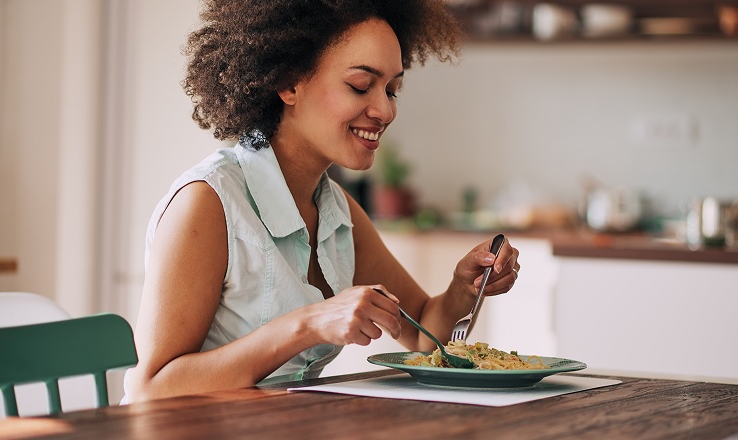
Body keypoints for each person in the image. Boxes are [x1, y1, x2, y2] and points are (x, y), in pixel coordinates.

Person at [124, 0, 521, 402]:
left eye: (392, 90)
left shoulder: (336, 210)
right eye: (360, 86)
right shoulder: (208, 203)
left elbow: (420, 332)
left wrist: (464, 286)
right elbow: (150, 388)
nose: (384, 109)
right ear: (290, 83)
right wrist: (308, 324)